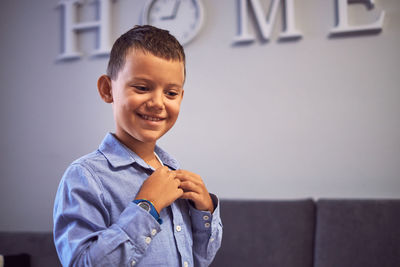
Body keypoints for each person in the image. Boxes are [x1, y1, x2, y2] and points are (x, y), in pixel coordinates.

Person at [53, 25, 222, 267]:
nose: (157, 103)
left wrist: (204, 210)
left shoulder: (173, 172)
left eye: (171, 93)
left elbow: (199, 260)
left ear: (181, 98)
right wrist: (146, 207)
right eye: (142, 88)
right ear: (107, 89)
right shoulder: (85, 177)